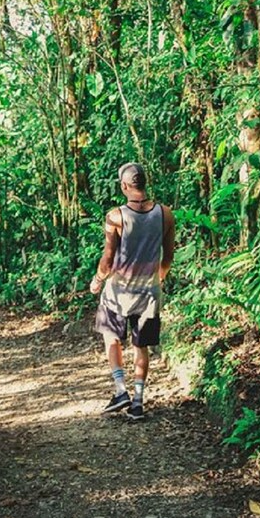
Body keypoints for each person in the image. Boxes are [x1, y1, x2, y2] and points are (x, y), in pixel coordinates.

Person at [90, 162, 175, 420]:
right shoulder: (166, 214)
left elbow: (108, 257)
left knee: (111, 336)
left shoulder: (116, 216)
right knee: (141, 346)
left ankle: (120, 390)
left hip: (118, 292)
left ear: (125, 186)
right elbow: (168, 256)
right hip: (148, 293)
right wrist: (156, 280)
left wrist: (97, 280)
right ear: (144, 184)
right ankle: (137, 402)